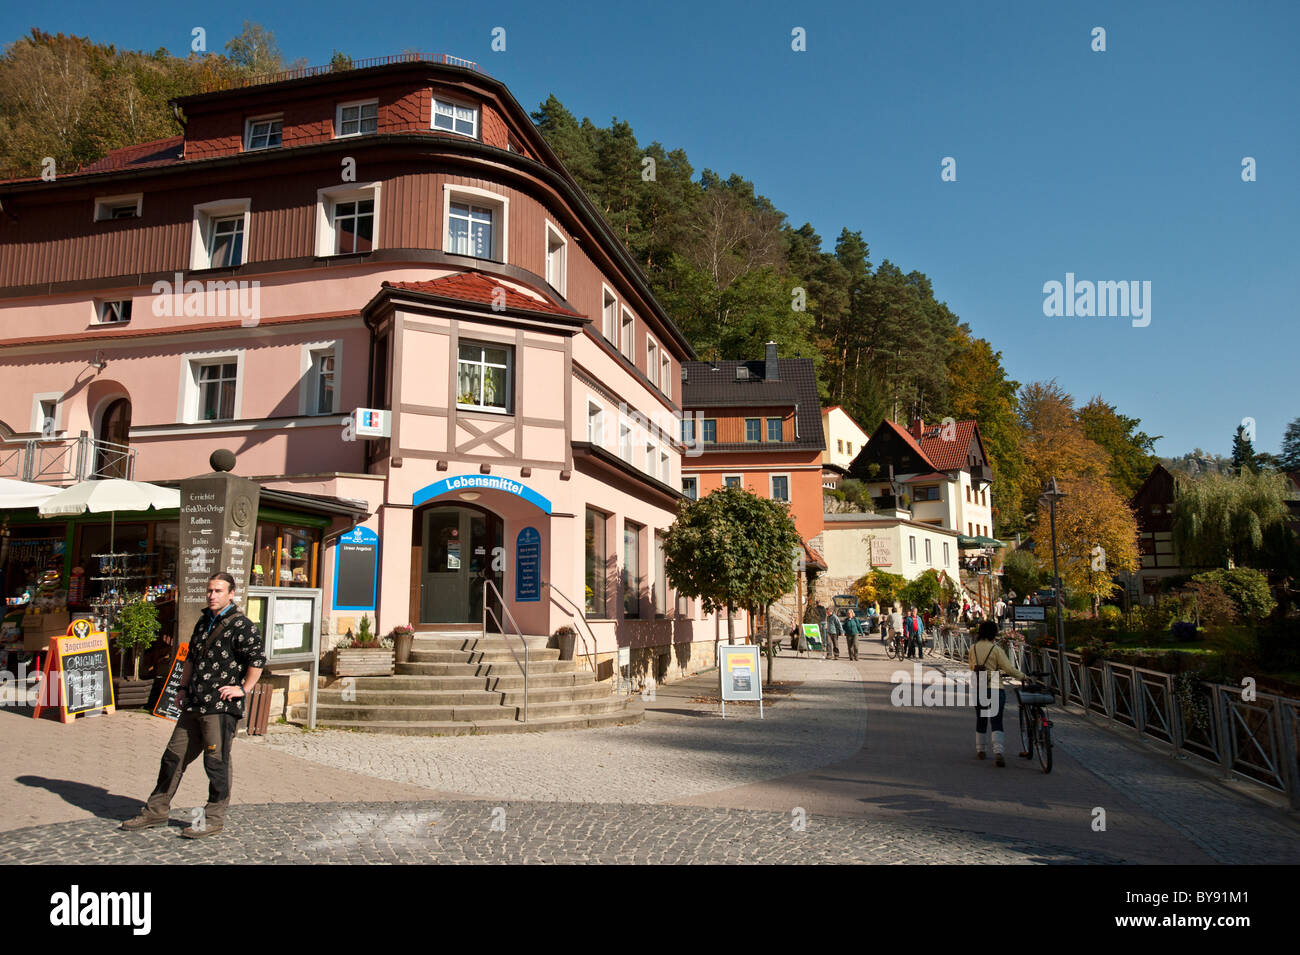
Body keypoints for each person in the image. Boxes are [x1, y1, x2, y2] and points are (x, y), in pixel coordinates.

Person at [120, 573, 266, 838]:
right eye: (210, 591)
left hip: (220, 707)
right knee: (172, 758)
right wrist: (182, 688)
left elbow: (257, 660)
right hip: (194, 703)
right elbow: (190, 659)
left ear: (231, 594)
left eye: (218, 591)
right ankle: (156, 811)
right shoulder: (203, 621)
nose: (212, 595)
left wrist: (242, 689)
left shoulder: (242, 625)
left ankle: (212, 819)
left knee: (216, 763)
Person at [967, 620, 1027, 766]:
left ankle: (981, 750)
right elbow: (1008, 669)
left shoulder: (973, 648)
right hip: (994, 685)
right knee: (996, 720)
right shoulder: (996, 650)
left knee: (981, 718)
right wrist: (1023, 677)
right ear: (993, 633)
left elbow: (970, 667)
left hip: (979, 686)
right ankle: (998, 751)